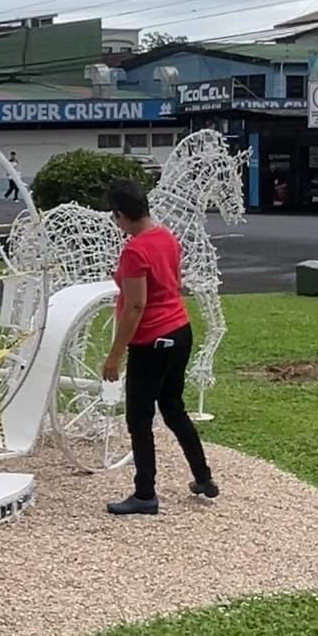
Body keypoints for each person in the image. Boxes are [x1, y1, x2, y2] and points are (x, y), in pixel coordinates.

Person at [101, 179, 218, 515]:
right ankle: (203, 477)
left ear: (122, 215)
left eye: (116, 218)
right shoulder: (166, 236)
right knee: (173, 407)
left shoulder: (135, 250)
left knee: (139, 418)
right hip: (179, 330)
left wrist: (115, 354)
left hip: (152, 339)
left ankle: (145, 493)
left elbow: (136, 306)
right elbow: (169, 282)